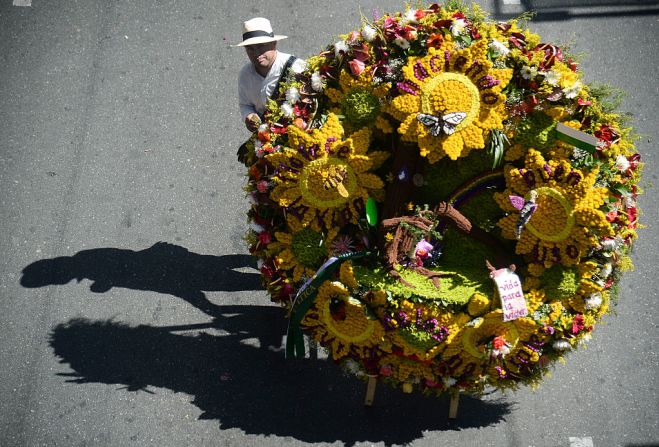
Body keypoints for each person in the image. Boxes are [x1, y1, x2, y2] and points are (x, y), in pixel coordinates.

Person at [235, 17, 297, 133]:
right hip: (265, 139)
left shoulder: (295, 68)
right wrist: (249, 115)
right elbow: (245, 105)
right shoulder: (244, 75)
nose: (256, 53)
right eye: (250, 49)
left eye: (261, 46)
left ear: (274, 43)